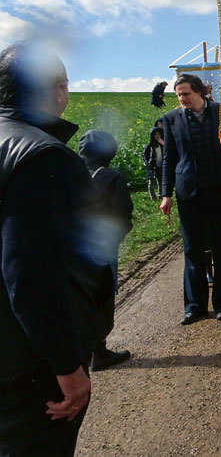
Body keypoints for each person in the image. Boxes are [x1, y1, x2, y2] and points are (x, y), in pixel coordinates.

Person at [0, 43, 112, 455]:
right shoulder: (43, 156)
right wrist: (67, 365)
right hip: (28, 364)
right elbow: (31, 275)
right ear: (59, 89)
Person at [160, 74, 221, 324]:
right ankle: (194, 307)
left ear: (200, 92)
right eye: (178, 95)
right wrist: (166, 194)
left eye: (186, 94)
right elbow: (168, 159)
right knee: (193, 252)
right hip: (189, 194)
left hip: (219, 191)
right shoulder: (171, 119)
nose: (182, 99)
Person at [78, 130, 134, 371]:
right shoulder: (112, 177)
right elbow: (123, 214)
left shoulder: (69, 174)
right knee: (103, 296)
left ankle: (80, 353)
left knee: (79, 296)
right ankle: (99, 352)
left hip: (72, 248)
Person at [142, 126, 164, 201]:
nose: (157, 136)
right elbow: (144, 155)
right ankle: (153, 197)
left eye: (159, 134)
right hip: (152, 166)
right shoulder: (149, 146)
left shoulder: (162, 145)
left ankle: (161, 195)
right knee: (151, 182)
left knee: (161, 181)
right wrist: (147, 164)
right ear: (152, 136)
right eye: (155, 135)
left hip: (161, 166)